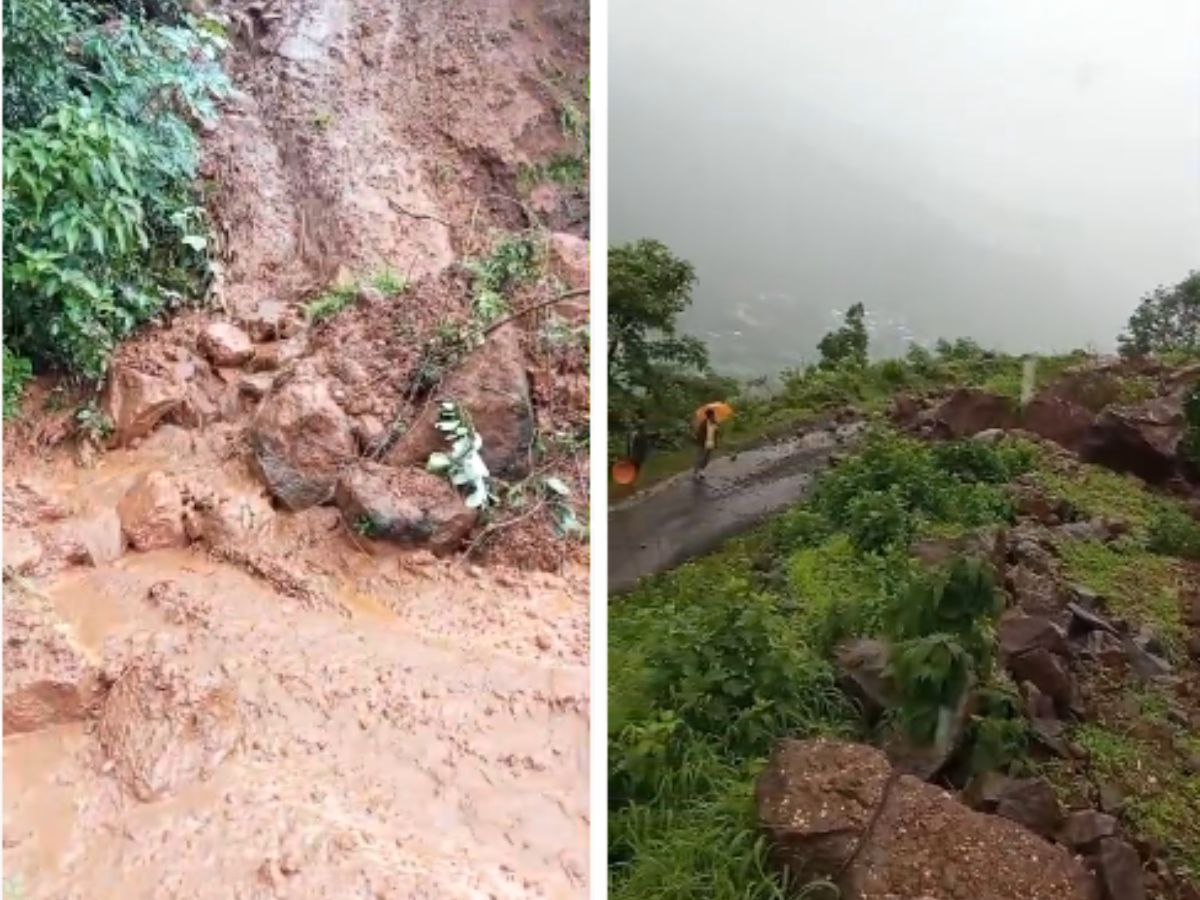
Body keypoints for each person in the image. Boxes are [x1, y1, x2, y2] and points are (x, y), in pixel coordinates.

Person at [693, 407, 718, 479]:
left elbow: (716, 434)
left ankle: (702, 470)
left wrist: (715, 443)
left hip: (711, 443)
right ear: (709, 416)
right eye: (713, 415)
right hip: (703, 443)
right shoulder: (703, 424)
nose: (714, 416)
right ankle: (696, 471)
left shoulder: (715, 423)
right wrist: (704, 441)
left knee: (707, 458)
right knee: (700, 457)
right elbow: (700, 434)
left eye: (714, 415)